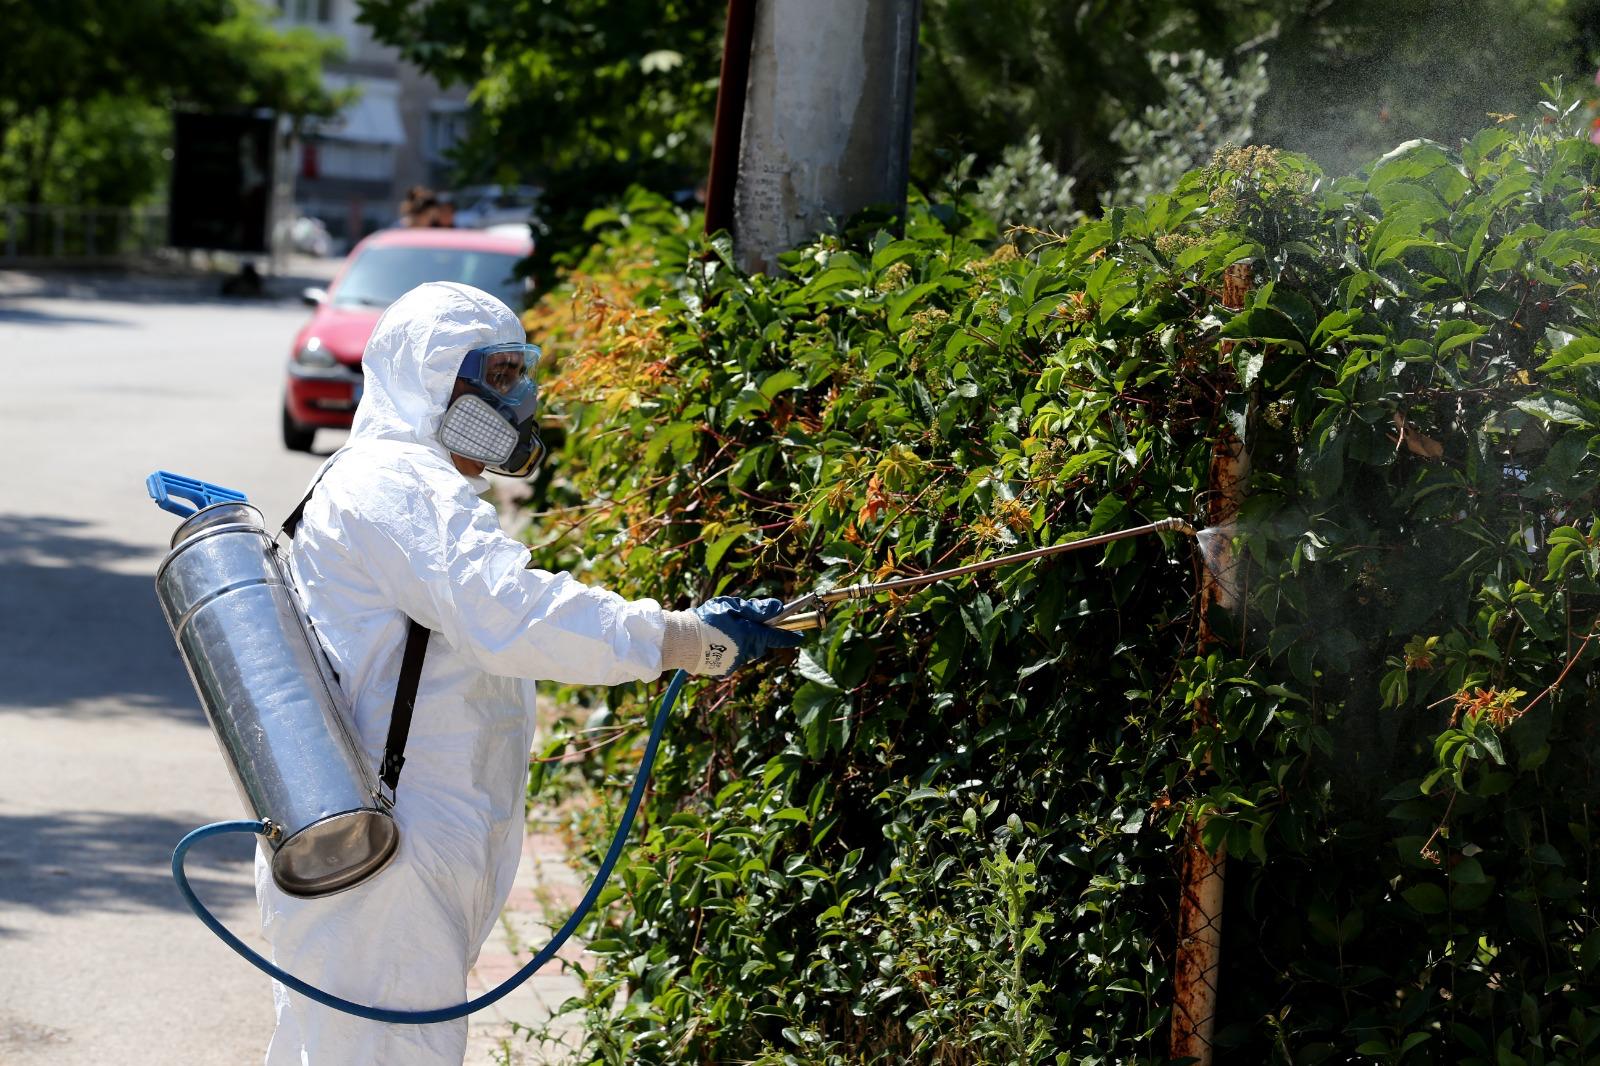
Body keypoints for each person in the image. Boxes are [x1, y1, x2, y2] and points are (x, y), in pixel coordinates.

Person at [257, 281, 801, 1064]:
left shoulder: (385, 480)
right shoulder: (398, 484)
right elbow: (510, 613)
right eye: (500, 376)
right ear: (432, 379)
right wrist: (677, 638)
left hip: (368, 842)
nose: (518, 400)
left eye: (519, 374)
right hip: (383, 853)